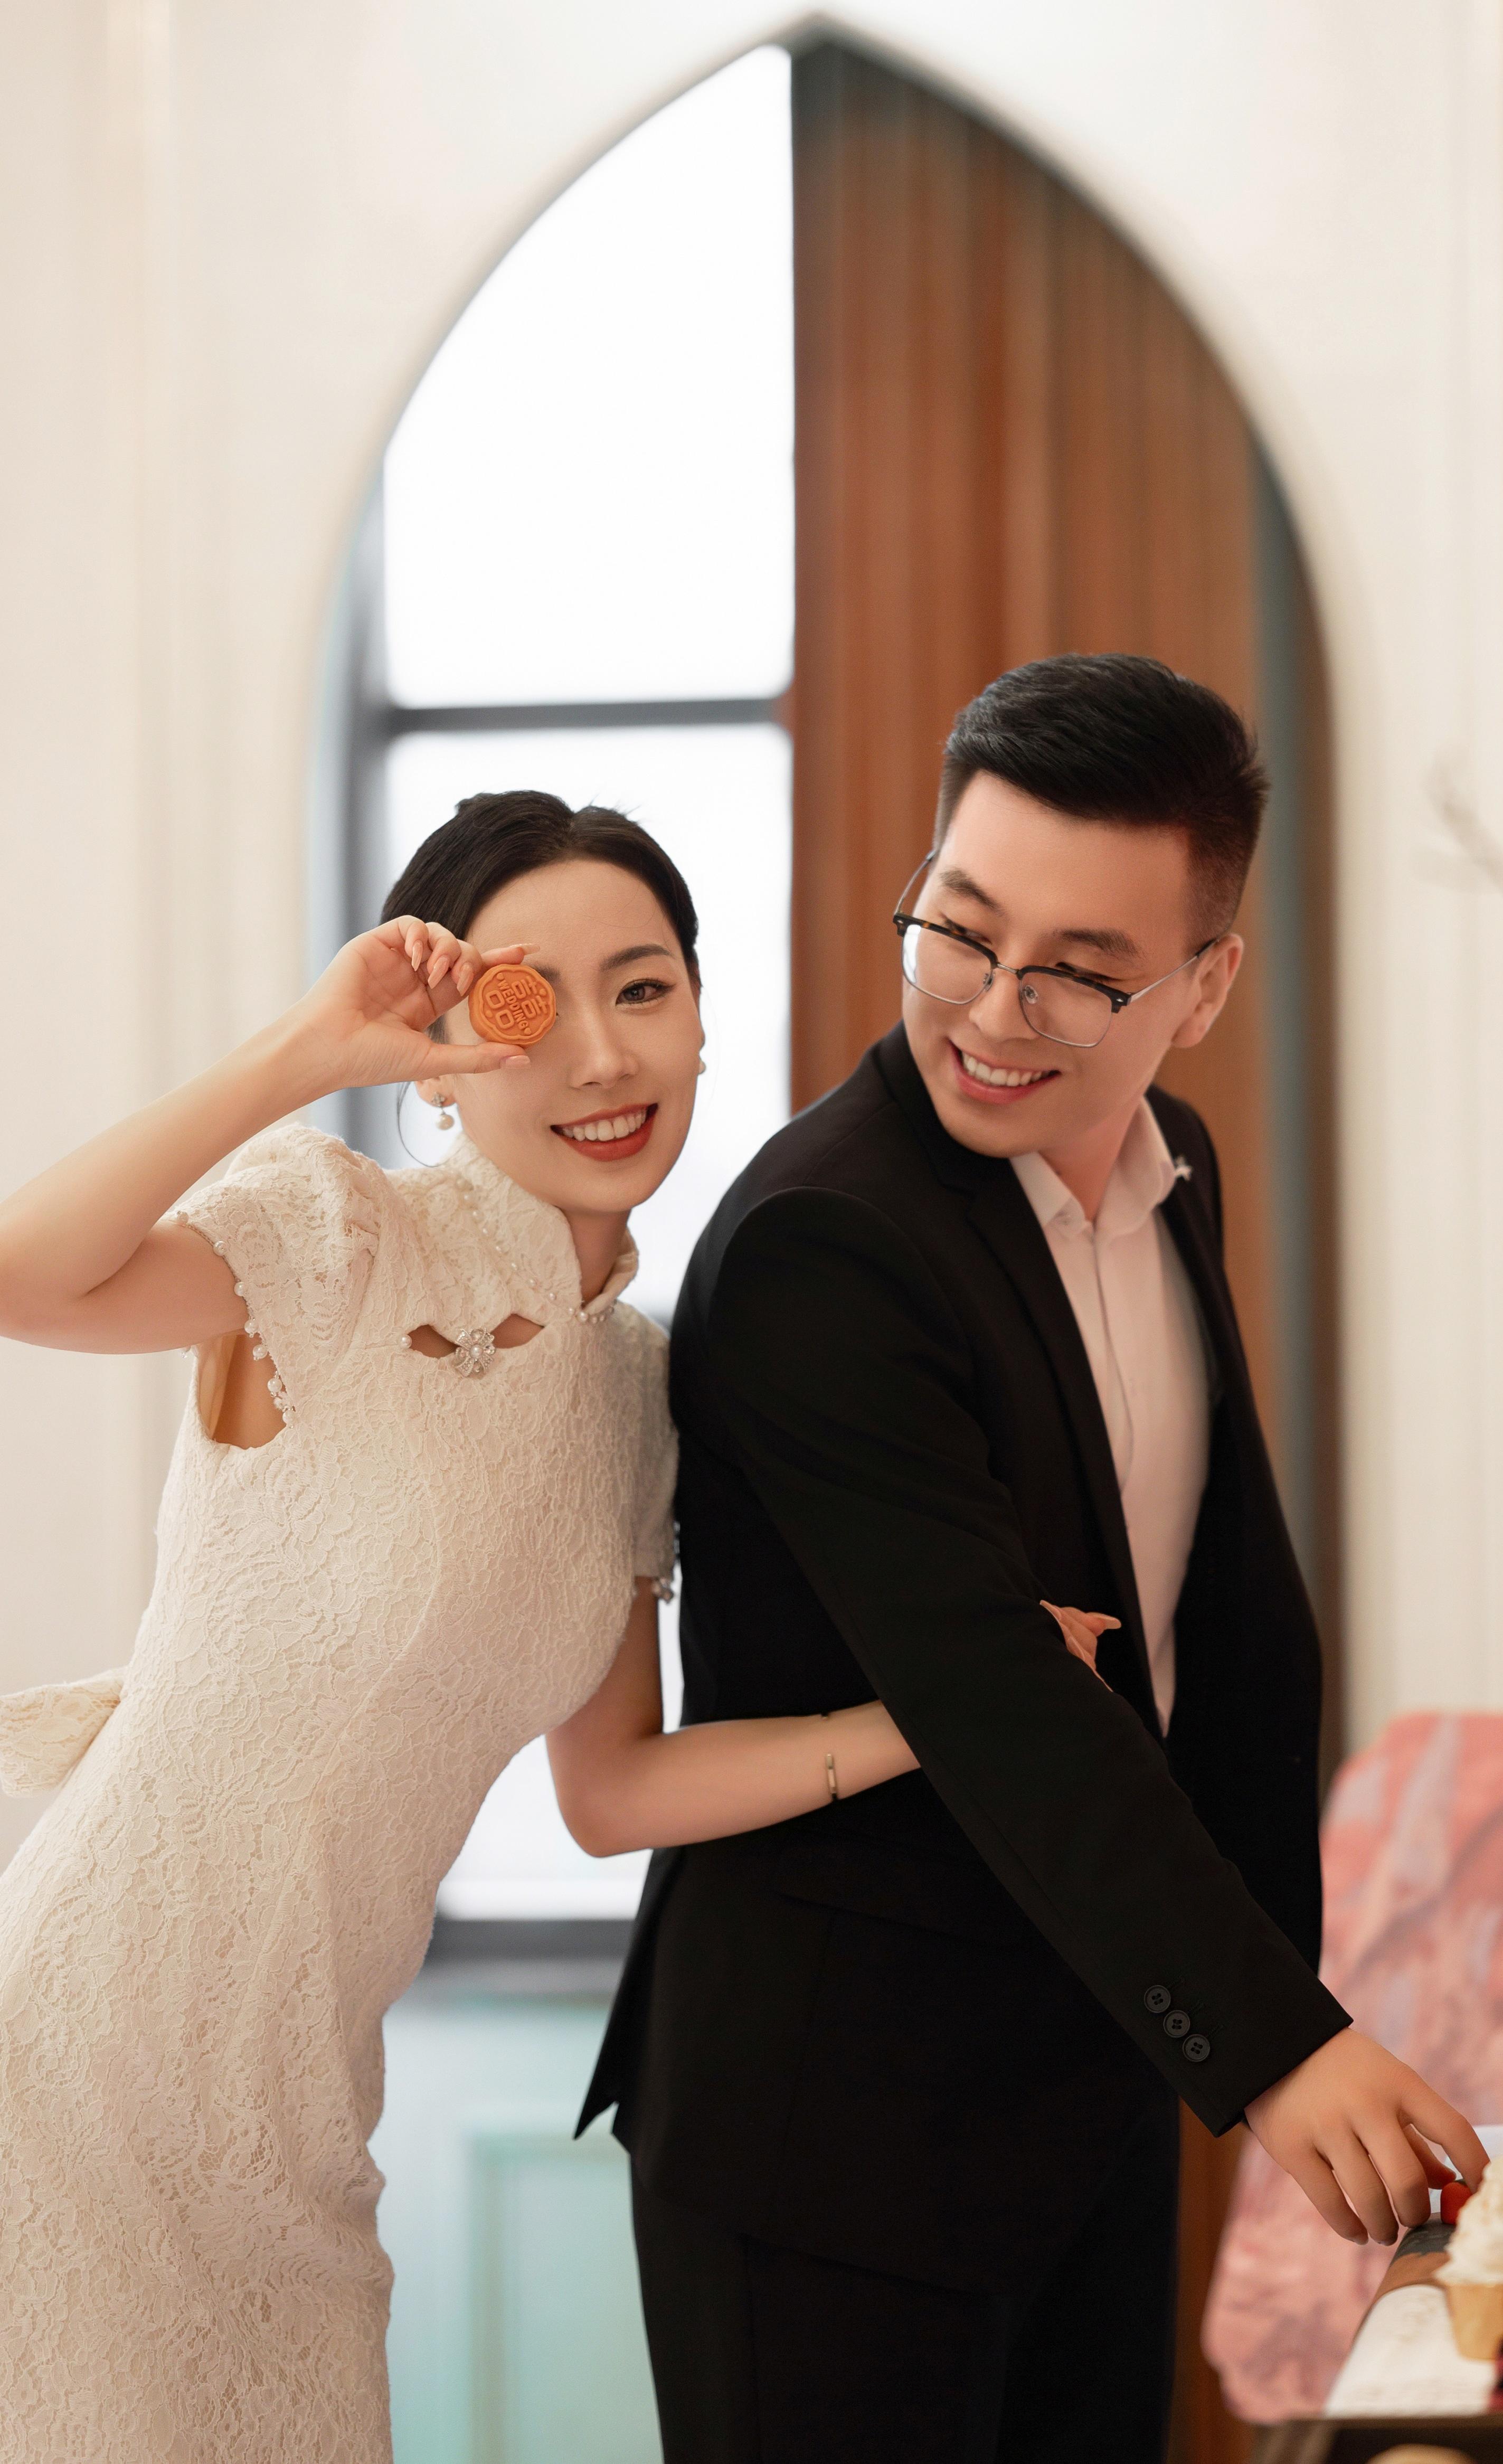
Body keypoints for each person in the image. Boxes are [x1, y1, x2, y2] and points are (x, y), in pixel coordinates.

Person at [0, 793, 1102, 2462]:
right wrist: (305, 1047)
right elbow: (26, 1277)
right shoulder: (337, 1234)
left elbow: (614, 1789)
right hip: (77, 2062)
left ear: (703, 1015)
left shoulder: (639, 1388)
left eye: (644, 987)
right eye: (530, 1005)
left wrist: (941, 1710)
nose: (601, 1054)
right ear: (442, 1059)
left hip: (300, 2123)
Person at [569, 656, 1486, 2463]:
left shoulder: (1168, 1164)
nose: (994, 1010)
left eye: (1079, 968)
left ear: (1202, 986)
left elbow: (1221, 1626)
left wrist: (1259, 2008)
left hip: (1086, 2089)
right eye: (961, 929)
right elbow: (999, 1693)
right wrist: (1274, 2042)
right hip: (833, 2138)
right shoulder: (825, 1243)